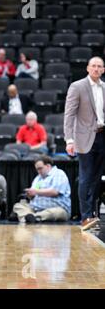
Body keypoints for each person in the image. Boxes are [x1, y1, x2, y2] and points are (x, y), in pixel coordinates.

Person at [64, 56, 105, 231]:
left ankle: (93, 214)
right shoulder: (77, 86)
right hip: (83, 138)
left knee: (97, 179)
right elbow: (69, 114)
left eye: (99, 66)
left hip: (102, 137)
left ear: (103, 70)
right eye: (93, 66)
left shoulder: (104, 87)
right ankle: (85, 216)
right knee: (86, 178)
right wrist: (69, 139)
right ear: (88, 68)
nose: (96, 69)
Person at [12, 156, 71, 223]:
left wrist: (36, 192)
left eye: (40, 168)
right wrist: (30, 195)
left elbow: (55, 192)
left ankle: (29, 218)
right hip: (35, 208)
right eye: (37, 169)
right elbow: (33, 195)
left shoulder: (59, 174)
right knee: (18, 206)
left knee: (57, 213)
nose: (38, 171)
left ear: (48, 166)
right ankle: (33, 218)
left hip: (56, 208)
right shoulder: (38, 178)